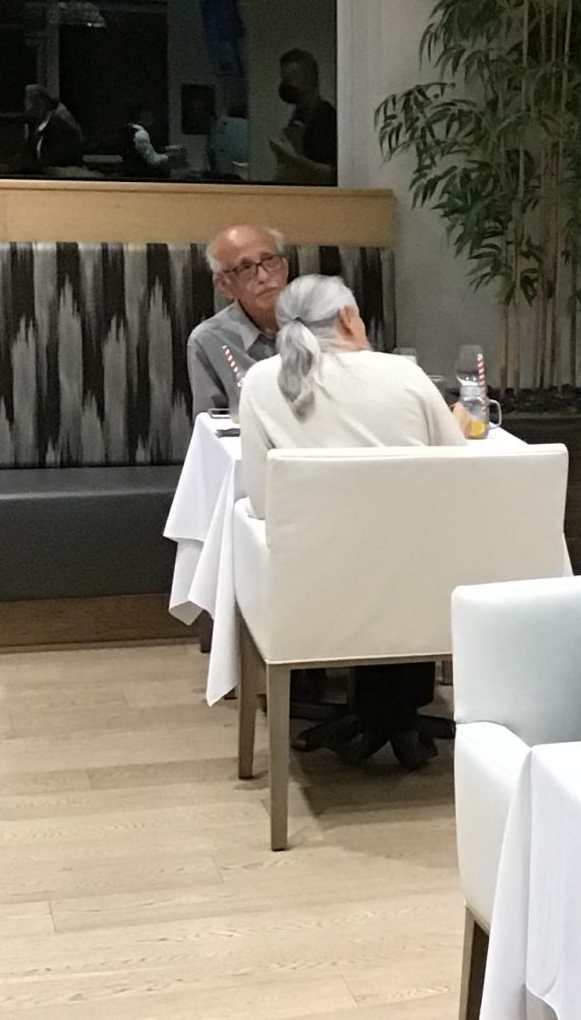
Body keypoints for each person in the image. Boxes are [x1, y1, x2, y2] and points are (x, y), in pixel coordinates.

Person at [239, 274, 464, 767]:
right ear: (347, 318)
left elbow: (261, 501)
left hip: (312, 592)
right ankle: (399, 712)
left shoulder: (260, 382)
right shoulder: (403, 375)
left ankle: (371, 714)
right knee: (412, 549)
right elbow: (457, 471)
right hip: (420, 589)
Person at [187, 225, 286, 414]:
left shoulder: (323, 322)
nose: (263, 276)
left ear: (285, 268)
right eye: (245, 268)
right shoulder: (210, 340)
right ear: (224, 285)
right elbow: (212, 423)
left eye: (270, 261)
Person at [271, 49, 337, 185]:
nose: (285, 87)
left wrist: (296, 159)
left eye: (290, 80)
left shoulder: (326, 120)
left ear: (310, 81)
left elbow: (333, 175)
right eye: (284, 80)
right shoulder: (299, 117)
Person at [21, 83, 84, 173]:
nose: (26, 108)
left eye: (28, 102)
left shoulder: (59, 126)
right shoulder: (36, 127)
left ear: (40, 105)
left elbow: (56, 157)